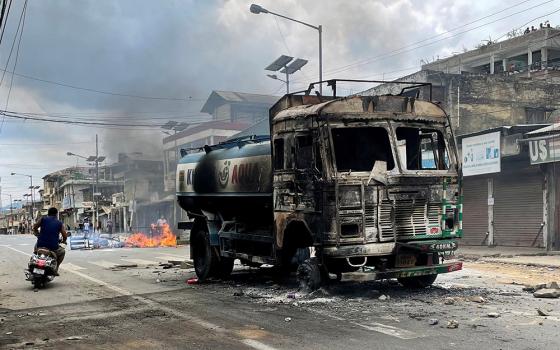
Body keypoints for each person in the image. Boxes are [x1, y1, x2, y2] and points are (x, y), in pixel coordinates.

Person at [32, 207, 68, 275]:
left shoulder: (43, 219)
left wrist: (37, 234)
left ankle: (34, 261)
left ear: (48, 213)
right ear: (56, 214)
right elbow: (65, 236)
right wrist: (64, 241)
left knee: (35, 251)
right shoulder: (59, 223)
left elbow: (35, 227)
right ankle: (56, 268)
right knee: (62, 252)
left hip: (40, 245)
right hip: (53, 247)